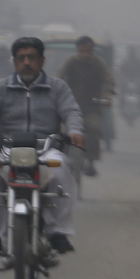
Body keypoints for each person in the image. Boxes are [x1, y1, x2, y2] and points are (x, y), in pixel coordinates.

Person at [0, 37, 85, 257]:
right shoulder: (0, 87)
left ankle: (58, 231)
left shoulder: (58, 87)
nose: (26, 62)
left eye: (32, 57)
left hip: (47, 149)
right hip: (8, 149)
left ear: (42, 60)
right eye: (21, 58)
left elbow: (71, 111)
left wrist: (75, 130)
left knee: (62, 171)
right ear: (14, 61)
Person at [58, 36, 115, 176]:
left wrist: (107, 94)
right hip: (72, 107)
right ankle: (61, 161)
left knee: (94, 130)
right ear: (78, 50)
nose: (84, 54)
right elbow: (59, 78)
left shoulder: (99, 63)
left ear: (92, 50)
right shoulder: (71, 62)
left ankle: (91, 162)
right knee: (63, 133)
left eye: (87, 51)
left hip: (92, 107)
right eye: (82, 51)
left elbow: (109, 80)